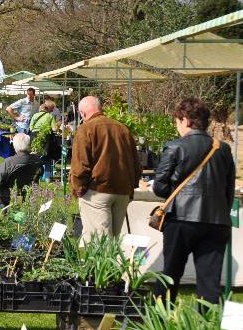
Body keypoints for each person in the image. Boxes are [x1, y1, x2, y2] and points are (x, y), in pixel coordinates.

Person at [152, 98, 234, 305]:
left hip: (181, 219)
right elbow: (229, 189)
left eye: (177, 121)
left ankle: (160, 319)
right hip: (216, 221)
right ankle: (206, 323)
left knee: (170, 273)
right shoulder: (223, 149)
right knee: (209, 281)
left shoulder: (175, 147)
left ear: (186, 120)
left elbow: (159, 188)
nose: (177, 126)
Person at [69, 96, 141, 241]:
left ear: (82, 113)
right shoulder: (123, 129)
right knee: (112, 243)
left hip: (97, 191)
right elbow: (136, 164)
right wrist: (131, 188)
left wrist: (77, 188)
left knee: (99, 244)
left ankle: (97, 265)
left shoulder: (86, 129)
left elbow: (79, 166)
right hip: (122, 191)